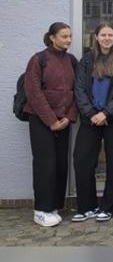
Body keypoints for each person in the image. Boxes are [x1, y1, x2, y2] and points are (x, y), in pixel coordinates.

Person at [72, 22, 113, 223]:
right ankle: (86, 207)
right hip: (90, 119)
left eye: (110, 35)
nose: (107, 38)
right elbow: (79, 88)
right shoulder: (86, 60)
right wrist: (91, 113)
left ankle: (109, 207)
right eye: (103, 35)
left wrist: (106, 113)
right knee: (82, 161)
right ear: (96, 37)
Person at [24, 22, 77, 227]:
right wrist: (51, 121)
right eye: (64, 36)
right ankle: (41, 210)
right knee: (45, 164)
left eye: (70, 36)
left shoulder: (71, 61)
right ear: (52, 38)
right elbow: (33, 93)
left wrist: (68, 117)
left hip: (64, 121)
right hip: (41, 120)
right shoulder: (39, 59)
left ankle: (54, 206)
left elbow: (76, 92)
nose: (68, 40)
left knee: (60, 164)